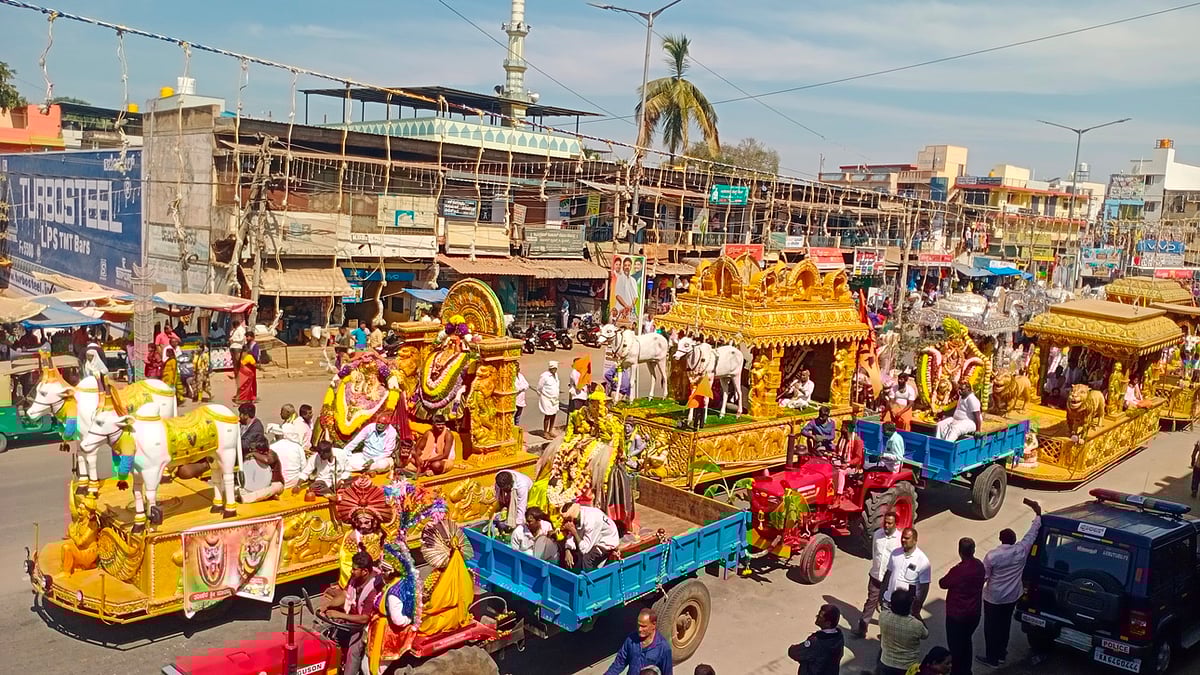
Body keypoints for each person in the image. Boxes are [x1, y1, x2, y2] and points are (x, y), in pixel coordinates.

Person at [978, 499, 1041, 668]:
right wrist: (1038, 514)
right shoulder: (1021, 550)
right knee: (1005, 626)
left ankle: (992, 658)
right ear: (1013, 540)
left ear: (1000, 539)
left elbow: (984, 576)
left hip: (994, 598)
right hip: (1012, 596)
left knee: (991, 628)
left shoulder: (993, 556)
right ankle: (1001, 654)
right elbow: (1032, 534)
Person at [323, 550, 381, 675]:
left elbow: (365, 618)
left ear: (365, 571)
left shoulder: (373, 589)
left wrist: (339, 615)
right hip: (352, 617)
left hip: (365, 626)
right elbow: (345, 594)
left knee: (353, 651)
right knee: (330, 634)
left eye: (354, 569)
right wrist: (327, 606)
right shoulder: (356, 577)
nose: (351, 571)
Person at [939, 538, 985, 675]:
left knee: (956, 647)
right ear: (974, 550)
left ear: (960, 552)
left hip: (957, 616)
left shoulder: (959, 570)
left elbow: (943, 583)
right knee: (966, 642)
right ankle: (966, 670)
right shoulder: (979, 565)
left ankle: (958, 671)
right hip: (974, 613)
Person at [854, 510, 901, 638]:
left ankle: (886, 635)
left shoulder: (899, 539)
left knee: (887, 607)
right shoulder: (877, 535)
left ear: (895, 524)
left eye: (890, 523)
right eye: (885, 522)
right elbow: (875, 553)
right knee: (870, 602)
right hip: (875, 576)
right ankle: (862, 629)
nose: (886, 525)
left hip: (890, 580)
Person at [605, 608, 673, 675]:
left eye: (643, 626)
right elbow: (619, 662)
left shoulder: (663, 648)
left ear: (653, 625)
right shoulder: (631, 639)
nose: (639, 629)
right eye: (638, 625)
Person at [882, 527, 931, 618]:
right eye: (902, 537)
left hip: (907, 607)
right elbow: (888, 574)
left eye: (907, 538)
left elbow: (924, 587)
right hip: (888, 601)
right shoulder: (895, 553)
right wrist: (882, 594)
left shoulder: (922, 560)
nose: (903, 540)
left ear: (915, 540)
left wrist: (918, 606)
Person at [877, 589, 929, 675]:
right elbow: (926, 634)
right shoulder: (916, 625)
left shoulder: (883, 616)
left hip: (886, 662)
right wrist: (916, 614)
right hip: (908, 667)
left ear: (891, 604)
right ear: (910, 606)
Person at [561, 501, 619, 571]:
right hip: (589, 537)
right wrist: (568, 550)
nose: (567, 523)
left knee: (586, 558)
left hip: (606, 540)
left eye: (568, 521)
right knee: (570, 552)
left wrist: (575, 533)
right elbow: (570, 533)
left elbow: (585, 549)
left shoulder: (591, 521)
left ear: (573, 519)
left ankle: (589, 579)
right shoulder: (577, 513)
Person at [788, 603, 845, 675]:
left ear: (828, 623)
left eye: (820, 617)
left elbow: (795, 653)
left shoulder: (817, 642)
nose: (817, 617)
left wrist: (792, 648)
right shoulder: (839, 637)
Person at [538, 361, 561, 437]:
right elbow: (539, 387)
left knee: (553, 414)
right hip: (546, 398)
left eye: (555, 369)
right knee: (548, 415)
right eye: (553, 368)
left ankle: (550, 430)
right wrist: (543, 395)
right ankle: (545, 432)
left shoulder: (556, 375)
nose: (554, 370)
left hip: (555, 398)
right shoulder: (544, 376)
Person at [233, 340, 260, 404]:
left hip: (240, 374)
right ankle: (244, 399)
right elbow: (254, 365)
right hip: (247, 375)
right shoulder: (249, 357)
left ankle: (238, 399)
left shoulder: (238, 356)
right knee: (247, 388)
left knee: (241, 387)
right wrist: (261, 367)